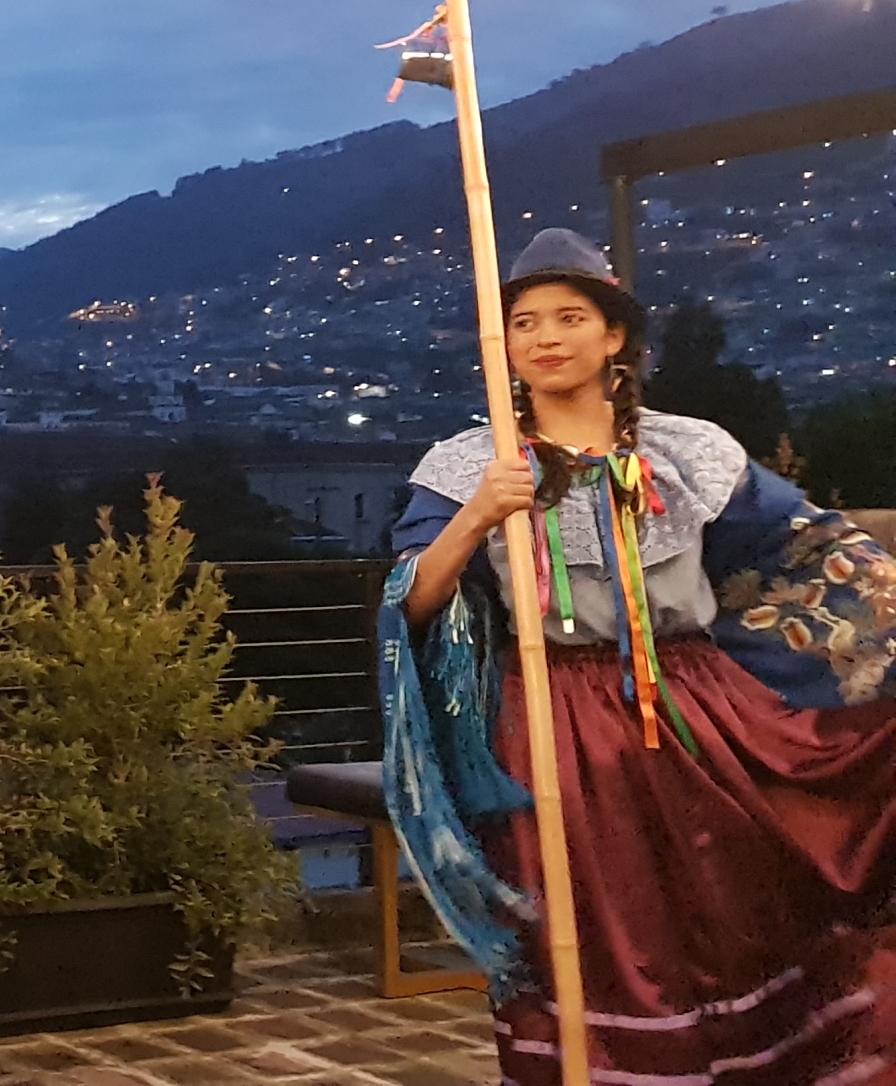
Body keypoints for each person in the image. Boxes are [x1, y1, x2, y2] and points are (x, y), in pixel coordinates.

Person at [383, 227, 896, 1084]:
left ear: (614, 335)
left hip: (695, 714)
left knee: (724, 911)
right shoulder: (467, 465)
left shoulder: (686, 452)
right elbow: (416, 604)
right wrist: (478, 514)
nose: (546, 338)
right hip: (549, 722)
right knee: (580, 926)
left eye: (569, 317)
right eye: (524, 323)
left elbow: (812, 553)